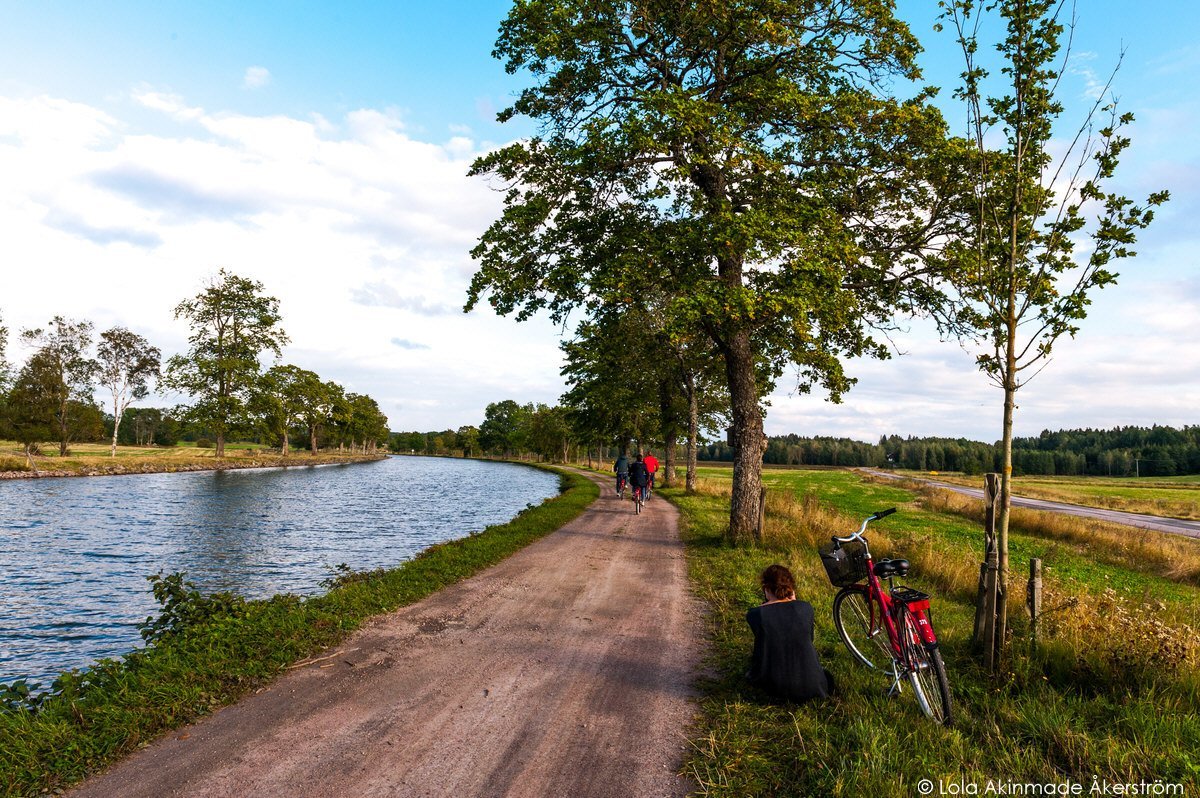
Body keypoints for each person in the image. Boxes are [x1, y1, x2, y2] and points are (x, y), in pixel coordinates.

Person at [745, 564, 834, 703]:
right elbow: (808, 638)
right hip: (814, 685)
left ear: (766, 589)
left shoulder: (754, 614)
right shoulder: (806, 608)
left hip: (775, 687)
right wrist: (793, 601)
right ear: (791, 588)